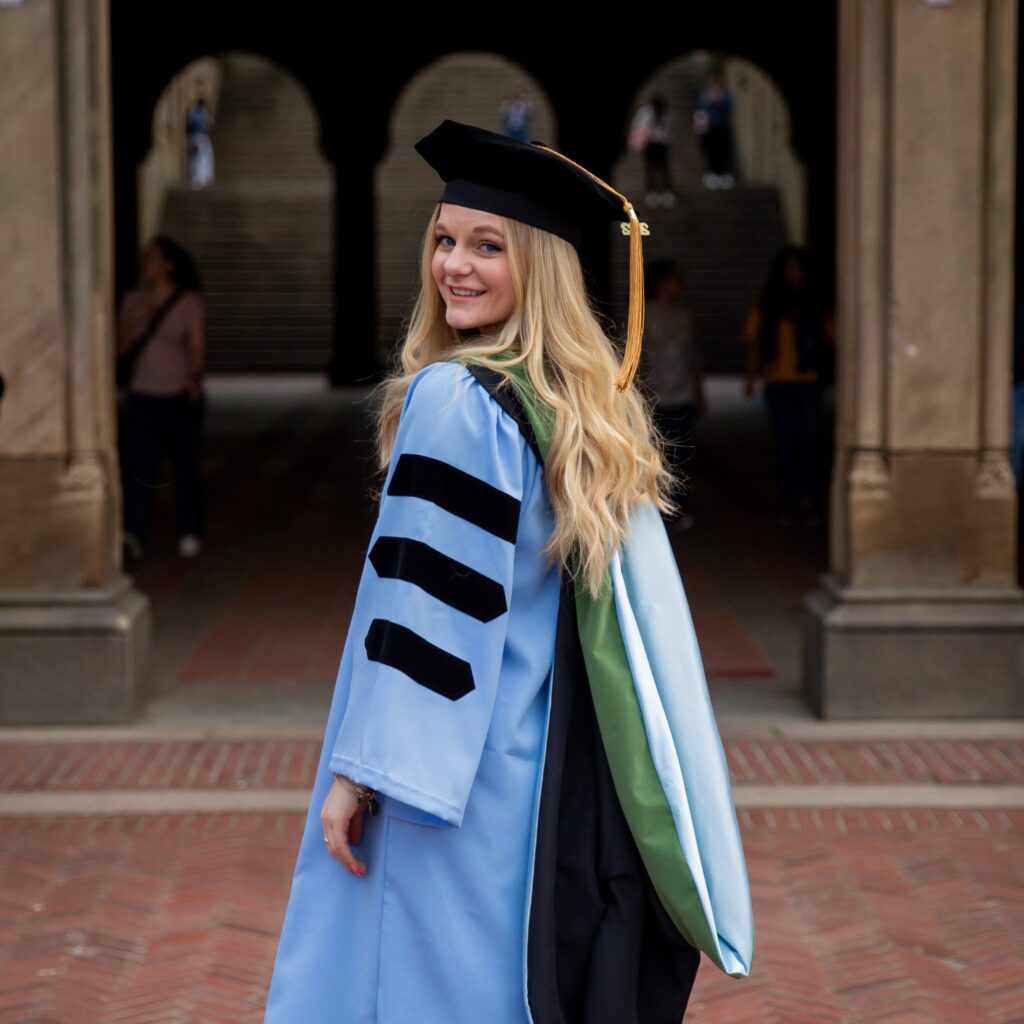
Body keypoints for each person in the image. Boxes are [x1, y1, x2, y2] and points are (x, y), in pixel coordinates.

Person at [262, 120, 753, 1024]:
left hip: (436, 784)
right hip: (528, 777)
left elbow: (426, 621)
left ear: (541, 267)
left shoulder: (457, 399)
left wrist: (359, 774)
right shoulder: (578, 409)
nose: (454, 265)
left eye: (488, 246)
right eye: (445, 240)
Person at [117, 236, 206, 562]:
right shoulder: (132, 300)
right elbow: (120, 347)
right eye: (144, 258)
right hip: (142, 394)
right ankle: (134, 533)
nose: (146, 263)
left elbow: (196, 345)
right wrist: (140, 316)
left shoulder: (187, 301)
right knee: (142, 467)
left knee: (184, 466)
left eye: (152, 258)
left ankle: (189, 530)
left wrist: (192, 377)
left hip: (177, 395)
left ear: (168, 264)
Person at [743, 244, 835, 524]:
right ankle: (788, 500)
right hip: (779, 381)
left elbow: (833, 339)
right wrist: (750, 377)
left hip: (809, 381)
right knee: (784, 442)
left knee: (811, 439)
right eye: (789, 268)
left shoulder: (816, 304)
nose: (794, 274)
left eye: (798, 268)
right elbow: (754, 341)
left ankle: (809, 499)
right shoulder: (769, 302)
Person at [637, 258, 704, 531]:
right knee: (655, 453)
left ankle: (674, 507)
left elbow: (693, 355)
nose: (679, 284)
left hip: (683, 390)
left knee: (679, 452)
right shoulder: (642, 312)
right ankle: (653, 507)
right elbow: (633, 355)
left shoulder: (683, 315)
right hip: (652, 393)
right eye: (674, 278)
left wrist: (699, 390)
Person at [628, 94, 676, 208]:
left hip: (661, 143)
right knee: (652, 168)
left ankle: (665, 191)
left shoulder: (664, 112)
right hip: (651, 144)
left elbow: (668, 127)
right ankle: (653, 192)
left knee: (662, 168)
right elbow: (638, 125)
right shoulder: (647, 112)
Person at [693, 69, 735, 189]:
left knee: (723, 151)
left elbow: (730, 106)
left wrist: (720, 100)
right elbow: (700, 106)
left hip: (722, 127)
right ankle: (711, 174)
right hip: (709, 128)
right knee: (711, 152)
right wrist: (711, 101)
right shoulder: (705, 94)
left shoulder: (725, 94)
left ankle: (723, 174)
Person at [185, 97, 215, 188]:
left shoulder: (194, 113)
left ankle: (201, 178)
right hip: (200, 138)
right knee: (200, 159)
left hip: (196, 138)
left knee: (198, 159)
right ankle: (199, 179)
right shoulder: (199, 114)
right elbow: (204, 127)